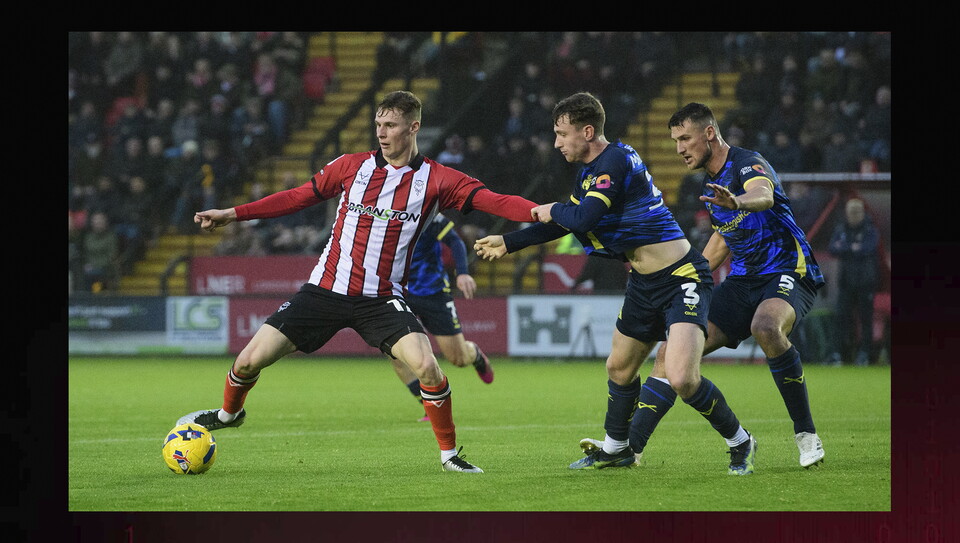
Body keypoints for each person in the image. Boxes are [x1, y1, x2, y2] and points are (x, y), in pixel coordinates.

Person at [177, 90, 541, 474]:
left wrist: (539, 213)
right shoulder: (352, 166)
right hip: (324, 291)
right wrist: (234, 214)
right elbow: (297, 197)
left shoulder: (437, 179)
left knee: (429, 367)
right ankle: (230, 414)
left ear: (413, 127)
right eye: (378, 125)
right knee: (248, 360)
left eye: (391, 125)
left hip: (381, 299)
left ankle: (449, 455)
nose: (382, 133)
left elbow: (495, 201)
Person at [474, 92, 756, 474]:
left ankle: (740, 441)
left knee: (682, 377)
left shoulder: (616, 161)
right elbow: (569, 219)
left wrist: (552, 207)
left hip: (681, 278)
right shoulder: (592, 171)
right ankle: (617, 449)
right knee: (619, 368)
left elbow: (583, 217)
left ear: (587, 131)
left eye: (562, 133)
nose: (556, 142)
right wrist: (509, 242)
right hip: (644, 283)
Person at [610, 102, 825, 470]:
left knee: (765, 326)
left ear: (709, 133)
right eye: (675, 140)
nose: (679, 148)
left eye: (685, 138)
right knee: (668, 355)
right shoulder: (708, 184)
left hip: (789, 270)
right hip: (742, 281)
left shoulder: (746, 163)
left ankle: (806, 435)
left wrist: (737, 199)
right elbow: (721, 242)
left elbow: (764, 194)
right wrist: (677, 272)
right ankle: (631, 449)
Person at [393, 213, 495, 422]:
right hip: (397, 292)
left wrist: (463, 273)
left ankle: (473, 353)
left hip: (433, 292)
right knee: (395, 354)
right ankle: (429, 406)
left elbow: (454, 241)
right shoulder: (378, 212)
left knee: (458, 359)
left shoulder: (426, 212)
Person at [827, 197, 880, 366]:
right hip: (846, 282)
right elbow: (832, 248)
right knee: (841, 319)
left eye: (856, 212)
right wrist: (852, 247)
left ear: (862, 213)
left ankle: (865, 354)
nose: (853, 215)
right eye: (850, 212)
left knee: (866, 320)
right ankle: (838, 354)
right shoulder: (842, 228)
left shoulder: (870, 230)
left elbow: (867, 249)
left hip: (866, 282)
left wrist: (846, 247)